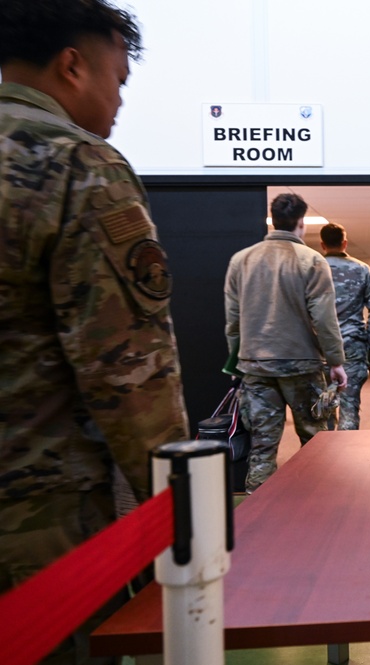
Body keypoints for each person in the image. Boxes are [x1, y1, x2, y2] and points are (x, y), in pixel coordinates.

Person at [0, 1, 189, 662]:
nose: (118, 101)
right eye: (118, 79)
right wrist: (184, 519)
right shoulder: (78, 165)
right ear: (72, 66)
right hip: (39, 525)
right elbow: (130, 375)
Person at [224, 193, 348, 493]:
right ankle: (317, 503)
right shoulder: (312, 261)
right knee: (316, 441)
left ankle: (259, 510)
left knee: (262, 446)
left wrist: (237, 359)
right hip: (301, 365)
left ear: (273, 220)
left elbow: (233, 319)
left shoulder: (242, 260)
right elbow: (323, 318)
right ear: (301, 223)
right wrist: (336, 362)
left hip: (255, 366)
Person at [319, 222, 370, 430]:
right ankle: (345, 455)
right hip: (352, 346)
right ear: (345, 243)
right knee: (349, 405)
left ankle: (325, 453)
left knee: (323, 405)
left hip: (318, 348)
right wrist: (367, 340)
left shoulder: (311, 269)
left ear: (322, 244)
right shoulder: (363, 270)